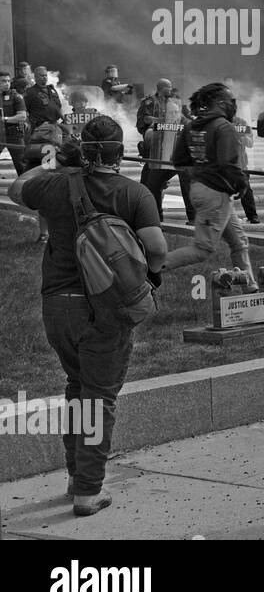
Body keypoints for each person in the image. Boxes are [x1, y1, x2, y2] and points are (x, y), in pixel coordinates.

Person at [8, 116, 167, 516]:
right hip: (104, 308)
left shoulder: (55, 183)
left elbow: (16, 189)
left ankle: (76, 476)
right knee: (99, 397)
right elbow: (158, 249)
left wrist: (57, 162)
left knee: (77, 388)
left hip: (56, 305)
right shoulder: (135, 194)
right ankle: (88, 491)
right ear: (120, 151)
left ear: (80, 150)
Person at [161, 83, 255, 283]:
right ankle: (146, 270)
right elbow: (227, 164)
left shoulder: (191, 126)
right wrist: (242, 184)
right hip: (215, 193)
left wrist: (200, 173)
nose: (233, 105)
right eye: (231, 101)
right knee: (202, 249)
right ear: (221, 103)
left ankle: (250, 288)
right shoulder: (223, 126)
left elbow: (179, 160)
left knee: (239, 242)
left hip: (203, 189)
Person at [136, 79, 195, 225]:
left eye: (175, 111)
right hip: (161, 153)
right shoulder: (152, 106)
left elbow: (190, 125)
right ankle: (156, 217)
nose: (173, 114)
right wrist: (153, 130)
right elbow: (145, 128)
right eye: (170, 112)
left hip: (180, 156)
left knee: (186, 180)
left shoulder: (180, 111)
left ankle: (193, 217)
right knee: (151, 183)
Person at [231, 112, 260, 224]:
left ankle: (252, 216)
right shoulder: (218, 122)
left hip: (240, 164)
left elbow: (250, 143)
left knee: (246, 190)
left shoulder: (241, 123)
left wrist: (240, 136)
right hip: (223, 164)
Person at [1, 71, 29, 177]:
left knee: (20, 165)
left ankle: (25, 189)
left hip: (13, 134)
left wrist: (4, 119)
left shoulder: (16, 96)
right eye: (3, 81)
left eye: (8, 81)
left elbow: (22, 116)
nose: (7, 83)